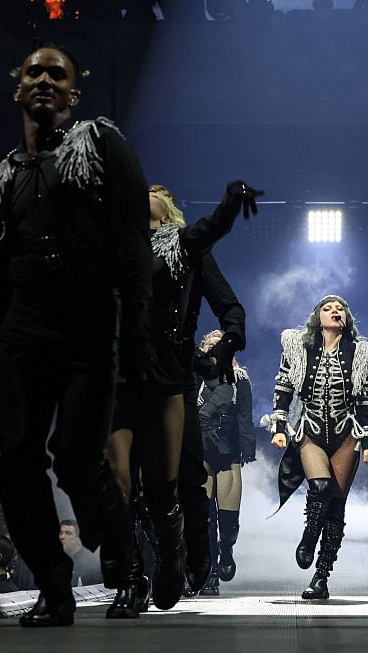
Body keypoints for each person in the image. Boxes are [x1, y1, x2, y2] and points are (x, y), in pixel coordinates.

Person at [0, 43, 260, 628]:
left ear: (74, 92)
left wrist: (142, 334)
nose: (45, 81)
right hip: (29, 329)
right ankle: (64, 585)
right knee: (20, 464)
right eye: (34, 72)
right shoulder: (4, 178)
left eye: (58, 73)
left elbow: (149, 250)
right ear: (17, 88)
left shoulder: (108, 153)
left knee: (105, 469)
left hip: (107, 337)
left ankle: (148, 558)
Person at [104, 182, 258, 616]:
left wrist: (230, 340)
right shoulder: (114, 248)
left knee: (183, 476)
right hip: (118, 370)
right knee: (119, 481)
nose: (148, 189)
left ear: (169, 208)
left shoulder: (186, 248)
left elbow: (230, 306)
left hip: (171, 371)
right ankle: (131, 580)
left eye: (158, 190)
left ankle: (190, 553)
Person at [269, 295, 368, 600]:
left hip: (346, 434)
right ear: (318, 316)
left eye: (340, 308)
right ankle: (308, 537)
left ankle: (321, 576)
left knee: (336, 505)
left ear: (347, 317)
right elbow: (283, 386)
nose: (334, 311)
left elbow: (365, 399)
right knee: (319, 486)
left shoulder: (362, 353)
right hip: (311, 430)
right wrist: (279, 426)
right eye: (328, 308)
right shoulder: (297, 346)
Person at [195, 329, 255, 596]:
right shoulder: (196, 377)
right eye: (210, 345)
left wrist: (247, 449)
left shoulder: (240, 379)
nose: (214, 349)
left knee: (228, 518)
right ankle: (210, 574)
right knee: (204, 517)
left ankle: (226, 551)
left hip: (228, 450)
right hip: (201, 449)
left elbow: (245, 416)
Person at [59, 520, 102, 587]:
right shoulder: (54, 560)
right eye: (61, 533)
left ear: (79, 539)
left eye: (68, 533)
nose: (62, 537)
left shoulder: (92, 564)